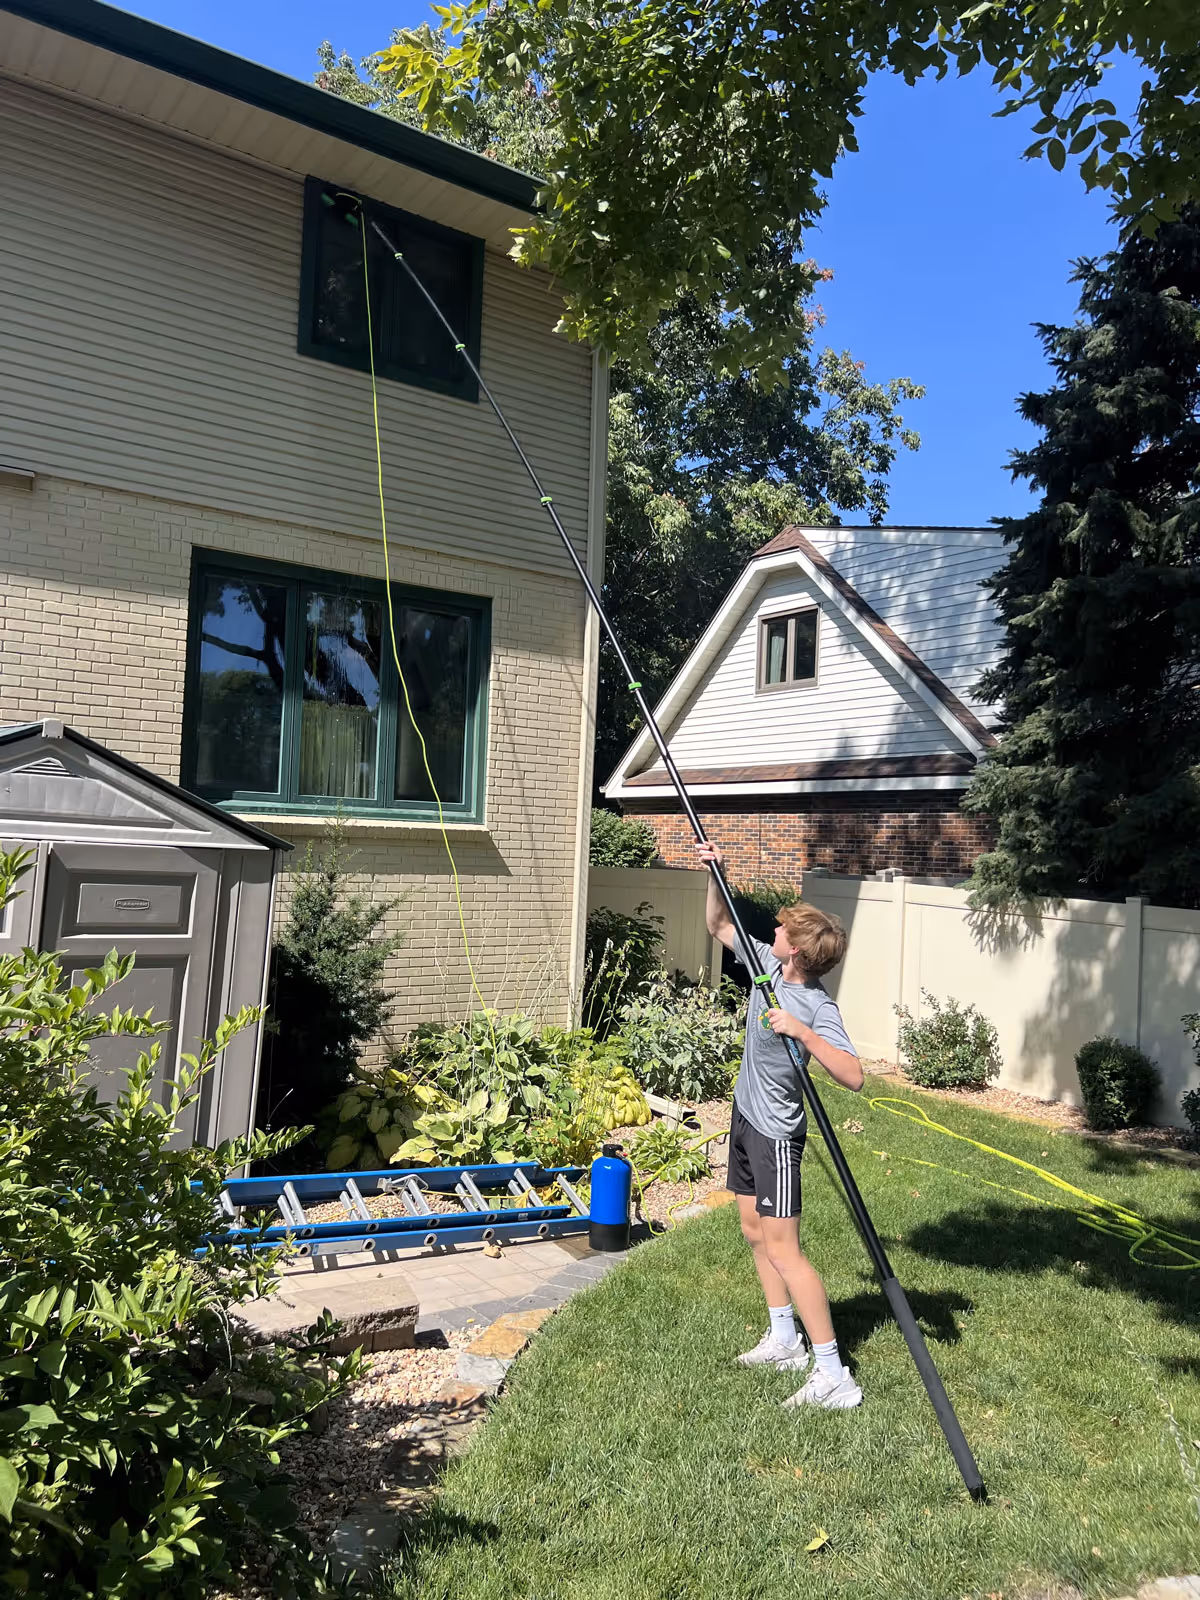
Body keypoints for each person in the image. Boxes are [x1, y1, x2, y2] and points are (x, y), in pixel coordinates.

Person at [697, 839, 865, 1410]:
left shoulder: (816, 1007)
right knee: (753, 1231)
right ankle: (785, 1338)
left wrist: (803, 1033)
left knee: (786, 1251)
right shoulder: (767, 967)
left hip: (776, 1136)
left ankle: (834, 1375)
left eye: (782, 929)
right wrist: (715, 871)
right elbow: (719, 924)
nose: (773, 929)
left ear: (795, 950)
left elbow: (853, 1076)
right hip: (746, 1118)